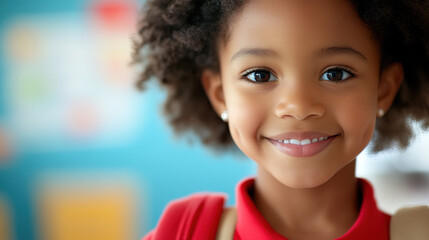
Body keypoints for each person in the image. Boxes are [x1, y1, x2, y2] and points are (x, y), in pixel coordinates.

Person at [133, 0, 429, 239]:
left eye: (336, 73)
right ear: (220, 94)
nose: (298, 107)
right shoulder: (180, 234)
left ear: (383, 89)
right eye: (260, 75)